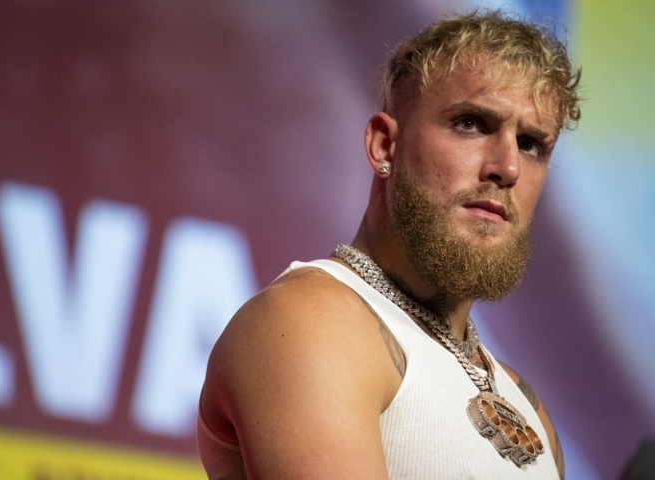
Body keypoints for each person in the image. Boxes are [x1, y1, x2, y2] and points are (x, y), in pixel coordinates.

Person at [198, 9, 580, 480]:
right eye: (472, 124)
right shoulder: (310, 319)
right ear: (384, 146)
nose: (508, 167)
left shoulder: (528, 408)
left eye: (531, 144)